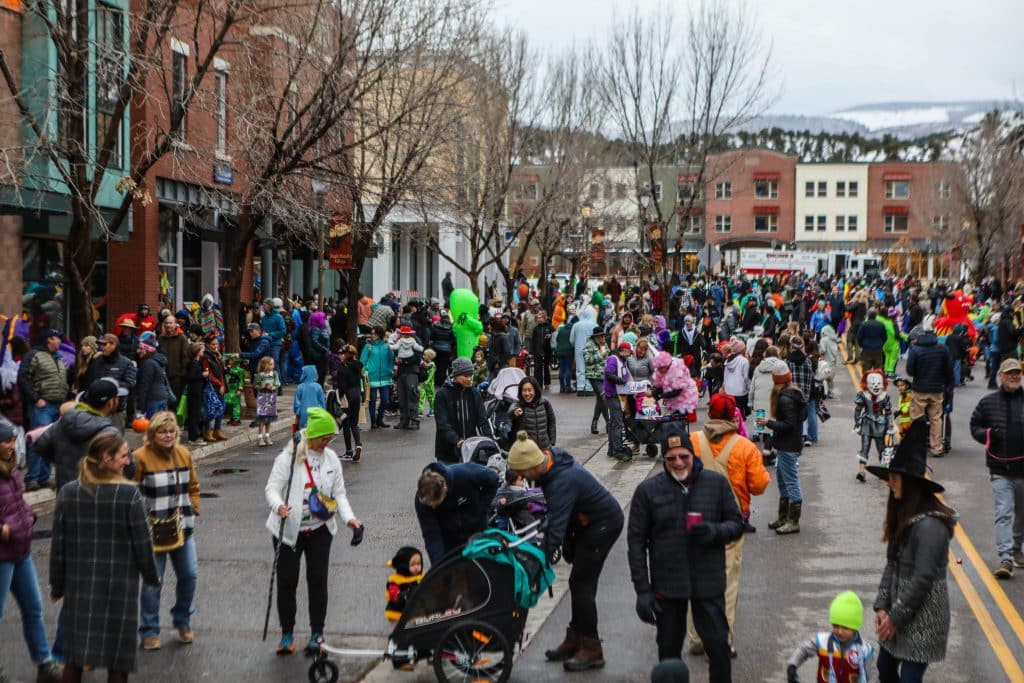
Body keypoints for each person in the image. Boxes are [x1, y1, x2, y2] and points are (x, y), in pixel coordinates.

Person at [627, 424, 743, 683]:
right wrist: (642, 591)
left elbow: (737, 525)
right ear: (663, 459)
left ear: (693, 456)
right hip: (668, 587)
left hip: (708, 584)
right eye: (671, 458)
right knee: (668, 656)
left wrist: (713, 531)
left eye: (684, 456)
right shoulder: (647, 491)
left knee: (718, 650)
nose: (678, 463)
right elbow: (636, 543)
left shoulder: (716, 484)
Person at [507, 431, 623, 672]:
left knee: (582, 584)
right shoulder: (549, 465)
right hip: (586, 523)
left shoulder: (561, 481)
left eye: (523, 473)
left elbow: (555, 531)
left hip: (603, 525)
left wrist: (537, 564)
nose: (522, 478)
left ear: (533, 466)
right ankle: (575, 638)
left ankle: (591, 648)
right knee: (578, 582)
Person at [50, 432, 160, 683]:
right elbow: (143, 544)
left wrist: (57, 585)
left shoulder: (68, 493)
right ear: (106, 459)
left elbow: (59, 547)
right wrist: (152, 577)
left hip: (79, 587)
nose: (128, 461)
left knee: (75, 659)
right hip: (120, 589)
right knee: (118, 660)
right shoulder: (130, 495)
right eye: (123, 456)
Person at [264, 408, 362, 656]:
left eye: (330, 438)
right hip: (288, 531)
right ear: (312, 437)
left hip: (320, 530)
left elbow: (339, 494)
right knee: (287, 582)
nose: (328, 443)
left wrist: (350, 519)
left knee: (317, 581)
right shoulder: (289, 457)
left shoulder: (331, 460)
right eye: (324, 438)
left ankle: (317, 633)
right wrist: (279, 506)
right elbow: (272, 489)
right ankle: (287, 634)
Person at [867, 418, 956, 683]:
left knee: (909, 679)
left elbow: (922, 578)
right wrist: (882, 606)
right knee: (884, 668)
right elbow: (891, 564)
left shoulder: (930, 525)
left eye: (893, 478)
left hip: (923, 618)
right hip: (899, 611)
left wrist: (894, 617)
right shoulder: (903, 514)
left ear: (910, 483)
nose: (889, 484)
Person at [686, 392, 769, 655]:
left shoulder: (693, 441)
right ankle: (722, 637)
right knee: (727, 583)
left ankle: (697, 637)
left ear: (709, 413)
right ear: (734, 416)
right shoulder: (744, 447)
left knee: (695, 578)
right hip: (729, 523)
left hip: (695, 519)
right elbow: (758, 485)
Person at [0, 417, 63, 683]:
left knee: (33, 608)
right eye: (5, 441)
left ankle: (44, 664)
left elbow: (19, 502)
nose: (11, 445)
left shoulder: (11, 470)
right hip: (2, 555)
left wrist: (29, 517)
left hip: (21, 552)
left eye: (11, 440)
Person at [132, 412, 201, 651]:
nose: (168, 436)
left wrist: (194, 505)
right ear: (152, 434)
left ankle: (182, 619)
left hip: (183, 528)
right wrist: (140, 520)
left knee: (189, 575)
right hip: (152, 532)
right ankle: (149, 630)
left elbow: (193, 485)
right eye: (162, 431)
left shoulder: (184, 453)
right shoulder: (139, 458)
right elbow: (132, 492)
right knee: (153, 581)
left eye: (171, 431)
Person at [969, 358, 1024, 578]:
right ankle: (1005, 558)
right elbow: (975, 426)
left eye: (1017, 373)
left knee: (1022, 514)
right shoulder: (987, 402)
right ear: (1000, 375)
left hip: (1023, 471)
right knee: (1003, 512)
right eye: (1009, 373)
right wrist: (988, 435)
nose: (1013, 376)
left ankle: (1016, 547)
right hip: (1000, 470)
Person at [35, 378, 123, 490]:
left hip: (65, 492)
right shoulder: (111, 434)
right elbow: (127, 466)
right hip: (96, 495)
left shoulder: (63, 422)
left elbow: (41, 445)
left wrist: (61, 460)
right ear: (110, 402)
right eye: (117, 398)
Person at [415, 461, 499, 566]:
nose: (432, 508)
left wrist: (481, 509)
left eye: (435, 505)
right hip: (449, 541)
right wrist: (438, 565)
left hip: (478, 531)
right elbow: (431, 535)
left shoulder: (464, 474)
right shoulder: (423, 500)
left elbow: (493, 479)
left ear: (445, 489)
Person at [785, 591, 876, 683]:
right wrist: (792, 665)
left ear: (855, 627)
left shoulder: (865, 650)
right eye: (836, 626)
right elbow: (803, 650)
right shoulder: (822, 641)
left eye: (845, 627)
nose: (840, 631)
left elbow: (872, 675)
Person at [759, 361, 807, 535]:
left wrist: (768, 423)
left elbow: (789, 424)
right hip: (788, 444)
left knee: (791, 482)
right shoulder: (794, 394)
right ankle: (784, 517)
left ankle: (793, 521)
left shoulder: (785, 398)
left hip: (788, 446)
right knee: (782, 481)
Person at [18, 328, 68, 491]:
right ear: (48, 339)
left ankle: (44, 477)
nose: (60, 341)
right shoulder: (34, 355)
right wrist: (36, 398)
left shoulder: (58, 357)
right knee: (38, 441)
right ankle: (32, 478)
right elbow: (23, 378)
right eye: (56, 338)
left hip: (57, 405)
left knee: (50, 442)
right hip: (42, 405)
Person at [905, 324, 952, 459]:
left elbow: (910, 370)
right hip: (937, 389)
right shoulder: (942, 348)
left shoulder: (915, 349)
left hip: (920, 388)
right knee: (936, 419)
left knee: (916, 418)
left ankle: (916, 447)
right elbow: (948, 369)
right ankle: (936, 448)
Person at [433, 357, 490, 464]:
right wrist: (456, 440)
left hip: (471, 448)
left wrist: (489, 440)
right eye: (465, 376)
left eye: (470, 376)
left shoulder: (474, 393)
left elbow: (482, 420)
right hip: (447, 451)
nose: (469, 379)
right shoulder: (442, 394)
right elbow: (442, 423)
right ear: (456, 375)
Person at [333, 344, 364, 462]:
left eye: (341, 354)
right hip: (357, 395)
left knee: (346, 424)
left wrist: (336, 399)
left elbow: (342, 387)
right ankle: (358, 444)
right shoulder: (358, 366)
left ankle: (349, 451)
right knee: (354, 423)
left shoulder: (342, 368)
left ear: (346, 355)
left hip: (347, 398)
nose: (340, 356)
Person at [604, 340, 634, 461]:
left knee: (613, 423)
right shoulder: (613, 359)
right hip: (613, 394)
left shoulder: (619, 359)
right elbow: (609, 374)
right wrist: (622, 381)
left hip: (615, 394)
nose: (630, 355)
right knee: (617, 423)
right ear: (624, 351)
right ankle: (617, 450)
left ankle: (612, 448)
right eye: (629, 353)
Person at [360, 327, 395, 429]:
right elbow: (363, 361)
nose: (372, 335)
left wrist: (390, 348)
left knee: (385, 400)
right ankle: (373, 421)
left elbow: (391, 359)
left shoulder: (386, 346)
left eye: (374, 333)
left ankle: (380, 418)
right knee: (372, 400)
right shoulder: (368, 346)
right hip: (371, 377)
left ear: (380, 334)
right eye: (372, 333)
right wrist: (365, 371)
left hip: (385, 376)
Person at [390, 326, 424, 430]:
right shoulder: (399, 341)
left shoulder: (414, 341)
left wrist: (404, 361)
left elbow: (418, 356)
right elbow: (395, 354)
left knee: (412, 396)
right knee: (402, 397)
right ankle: (404, 420)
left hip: (411, 372)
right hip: (402, 373)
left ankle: (414, 420)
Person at [509, 376, 556, 450]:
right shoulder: (518, 405)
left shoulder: (545, 403)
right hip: (526, 451)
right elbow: (510, 412)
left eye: (529, 390)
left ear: (535, 390)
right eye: (524, 390)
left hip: (545, 449)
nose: (527, 393)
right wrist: (515, 412)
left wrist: (552, 441)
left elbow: (551, 421)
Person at [157, 317, 190, 409]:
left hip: (176, 376)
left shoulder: (182, 338)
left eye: (170, 323)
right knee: (164, 401)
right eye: (166, 323)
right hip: (163, 376)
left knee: (175, 401)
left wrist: (181, 373)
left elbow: (186, 357)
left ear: (176, 324)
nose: (168, 325)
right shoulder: (161, 338)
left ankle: (174, 422)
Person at [384, 546, 424, 623]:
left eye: (418, 564)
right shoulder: (395, 580)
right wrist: (405, 595)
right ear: (404, 565)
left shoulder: (420, 578)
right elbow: (393, 595)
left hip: (415, 612)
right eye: (412, 565)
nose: (416, 567)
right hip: (397, 612)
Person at [135, 338, 172, 419]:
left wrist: (140, 405)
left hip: (153, 399)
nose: (138, 351)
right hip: (162, 397)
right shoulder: (157, 361)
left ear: (148, 350)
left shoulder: (148, 363)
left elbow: (145, 384)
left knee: (153, 427)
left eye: (141, 348)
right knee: (160, 427)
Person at [253, 355, 280, 446]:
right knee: (262, 418)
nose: (273, 366)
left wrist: (274, 387)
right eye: (271, 364)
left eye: (273, 364)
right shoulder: (260, 375)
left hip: (271, 397)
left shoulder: (274, 374)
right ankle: (260, 437)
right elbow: (255, 385)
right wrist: (264, 386)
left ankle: (267, 436)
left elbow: (278, 383)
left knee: (269, 418)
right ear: (265, 365)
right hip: (263, 397)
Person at [223, 355, 245, 426]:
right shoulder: (227, 369)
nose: (230, 361)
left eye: (232, 360)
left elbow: (241, 380)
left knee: (236, 404)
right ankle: (232, 417)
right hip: (229, 388)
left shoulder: (240, 370)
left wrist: (240, 389)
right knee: (229, 403)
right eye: (229, 360)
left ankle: (237, 418)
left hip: (235, 389)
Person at [418, 349, 436, 418]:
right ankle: (420, 411)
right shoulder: (424, 364)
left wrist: (427, 382)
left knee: (430, 397)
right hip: (423, 383)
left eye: (425, 355)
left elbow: (431, 375)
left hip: (429, 384)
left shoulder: (432, 365)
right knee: (421, 396)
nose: (423, 356)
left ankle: (432, 410)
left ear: (429, 357)